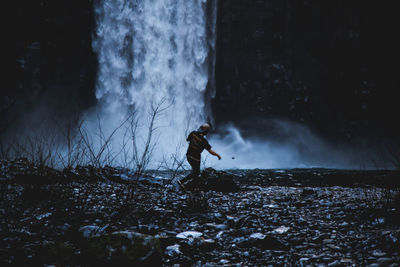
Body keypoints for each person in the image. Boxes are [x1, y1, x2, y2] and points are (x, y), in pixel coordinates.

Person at [177, 123, 221, 189]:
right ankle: (181, 181)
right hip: (196, 158)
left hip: (188, 156)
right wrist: (218, 155)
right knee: (196, 172)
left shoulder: (193, 133)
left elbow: (187, 140)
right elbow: (211, 151)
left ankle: (193, 186)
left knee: (195, 172)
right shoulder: (204, 141)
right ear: (206, 132)